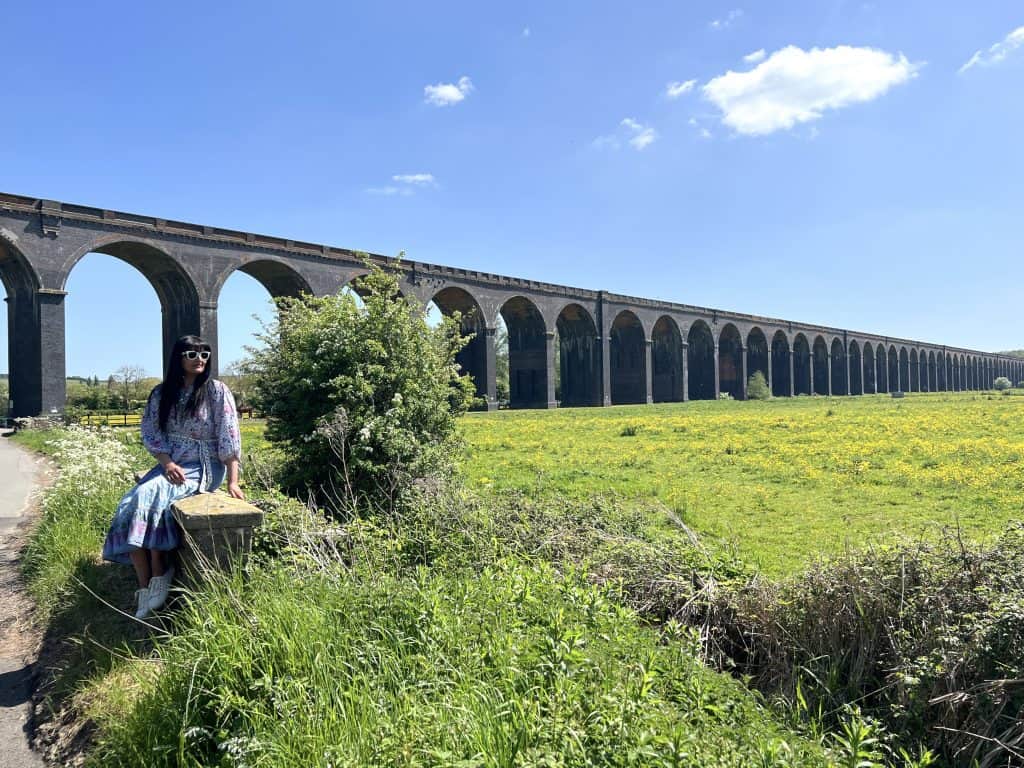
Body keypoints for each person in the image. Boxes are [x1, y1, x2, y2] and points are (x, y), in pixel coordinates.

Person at [102, 335, 244, 619]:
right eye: (192, 353)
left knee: (148, 495)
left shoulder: (217, 391)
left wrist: (232, 480)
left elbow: (229, 433)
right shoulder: (161, 393)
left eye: (205, 353)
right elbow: (152, 432)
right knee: (130, 502)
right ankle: (146, 585)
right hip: (172, 465)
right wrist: (166, 463)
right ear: (178, 358)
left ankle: (159, 570)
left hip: (204, 466)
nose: (200, 358)